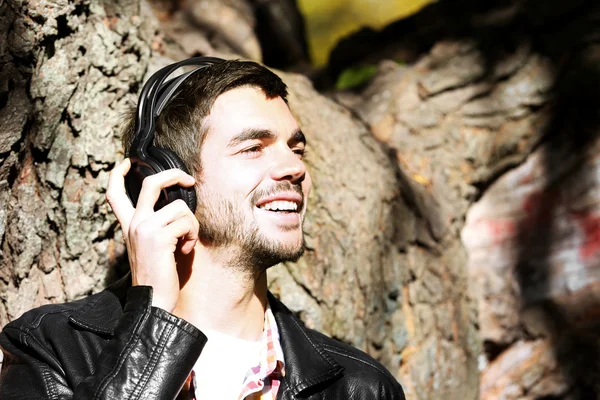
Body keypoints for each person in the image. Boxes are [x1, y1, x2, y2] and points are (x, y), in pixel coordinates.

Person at [0, 58, 404, 399]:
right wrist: (152, 321)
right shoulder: (49, 348)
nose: (295, 168)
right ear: (168, 183)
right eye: (253, 148)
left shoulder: (360, 387)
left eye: (295, 149)